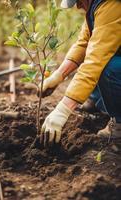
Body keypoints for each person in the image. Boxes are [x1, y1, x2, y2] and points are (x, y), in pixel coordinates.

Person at [39, 0, 121, 146]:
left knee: (106, 67)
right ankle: (99, 100)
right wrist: (59, 75)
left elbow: (95, 59)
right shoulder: (97, 6)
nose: (77, 6)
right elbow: (85, 42)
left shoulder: (112, 5)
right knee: (98, 62)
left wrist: (63, 110)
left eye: (79, 0)